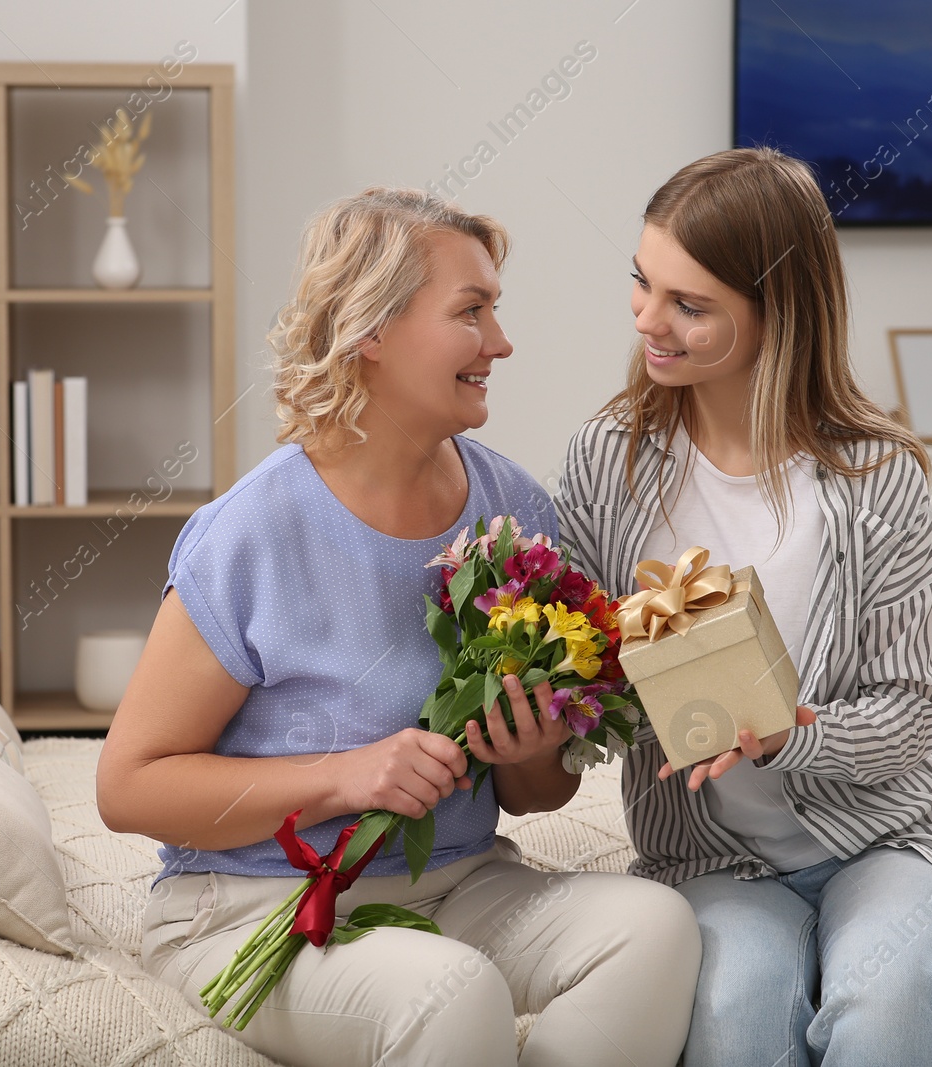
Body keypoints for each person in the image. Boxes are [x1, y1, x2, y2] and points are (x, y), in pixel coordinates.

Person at [96, 187, 700, 1067]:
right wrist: (343, 777)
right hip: (257, 900)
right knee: (452, 996)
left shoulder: (515, 510)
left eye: (495, 310)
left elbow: (537, 795)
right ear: (371, 330)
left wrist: (524, 747)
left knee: (654, 928)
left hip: (455, 879)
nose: (501, 342)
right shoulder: (254, 532)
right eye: (471, 311)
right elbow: (128, 786)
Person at [553, 148, 932, 1067]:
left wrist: (787, 736)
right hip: (712, 863)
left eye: (689, 306)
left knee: (882, 995)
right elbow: (581, 670)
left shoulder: (873, 478)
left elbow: (919, 703)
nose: (648, 322)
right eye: (642, 282)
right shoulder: (608, 460)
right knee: (736, 1013)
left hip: (890, 837)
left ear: (775, 311)